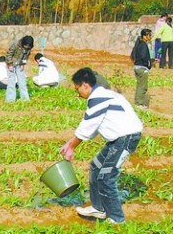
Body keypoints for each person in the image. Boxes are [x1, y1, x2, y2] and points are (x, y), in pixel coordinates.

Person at [60, 67, 142, 224]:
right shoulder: (101, 95)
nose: (77, 94)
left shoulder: (99, 98)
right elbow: (87, 124)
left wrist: (72, 147)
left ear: (85, 85)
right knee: (96, 167)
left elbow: (87, 128)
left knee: (106, 177)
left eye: (78, 89)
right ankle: (98, 208)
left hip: (126, 138)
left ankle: (117, 218)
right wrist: (70, 143)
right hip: (117, 139)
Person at [6, 35, 34, 102]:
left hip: (20, 64)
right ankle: (10, 99)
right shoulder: (15, 44)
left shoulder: (29, 47)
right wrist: (10, 64)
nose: (27, 48)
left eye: (28, 47)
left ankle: (25, 99)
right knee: (11, 82)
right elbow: (9, 54)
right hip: (11, 63)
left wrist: (23, 64)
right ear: (22, 43)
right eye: (26, 46)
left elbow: (26, 56)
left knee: (22, 82)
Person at [130, 28, 152, 109]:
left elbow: (134, 56)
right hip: (142, 68)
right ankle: (139, 103)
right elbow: (143, 56)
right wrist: (148, 64)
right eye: (149, 35)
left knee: (139, 85)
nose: (150, 37)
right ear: (144, 36)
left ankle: (137, 102)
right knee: (143, 86)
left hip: (137, 67)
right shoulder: (143, 44)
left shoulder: (139, 44)